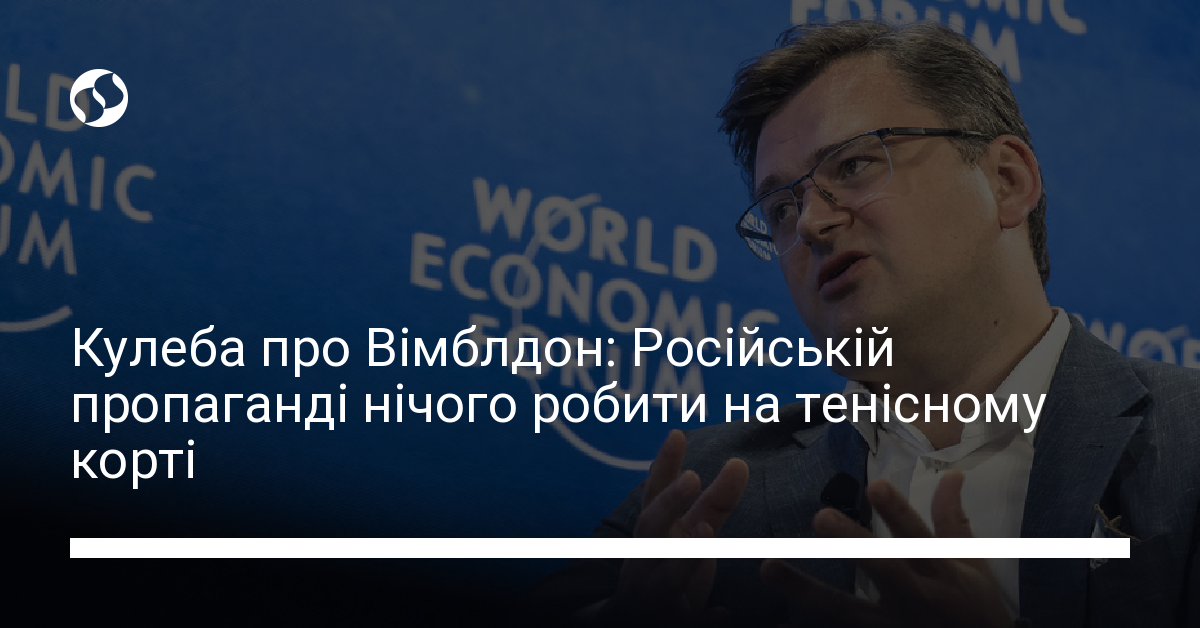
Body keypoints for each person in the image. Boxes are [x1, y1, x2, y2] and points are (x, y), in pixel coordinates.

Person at [530, 19, 1200, 627]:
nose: (812, 224)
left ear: (1006, 180)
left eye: (852, 166)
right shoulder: (708, 491)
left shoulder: (1186, 444)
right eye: (781, 210)